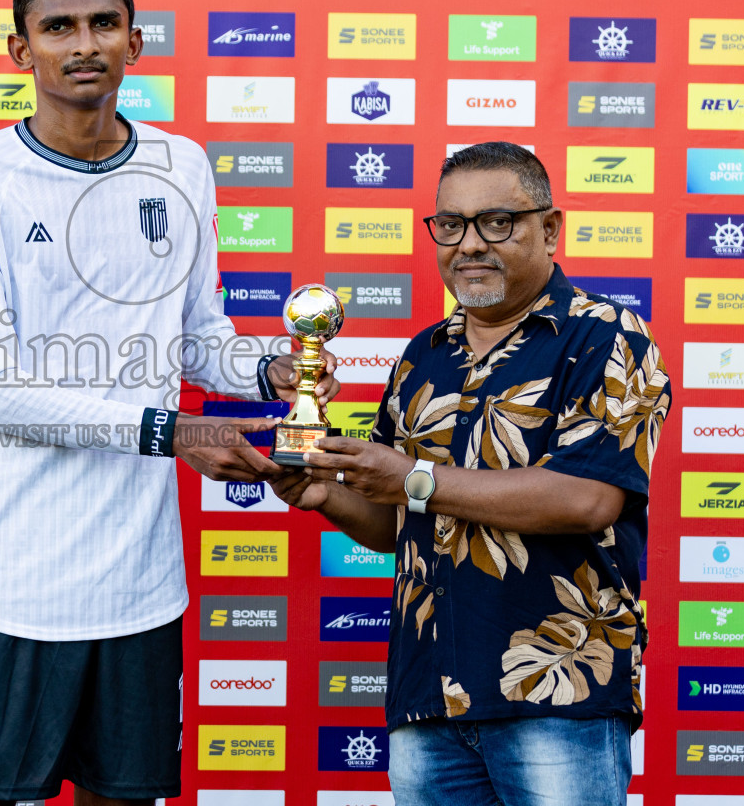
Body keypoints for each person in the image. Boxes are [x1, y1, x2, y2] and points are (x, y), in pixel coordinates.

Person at [0, 0, 336, 806]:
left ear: (136, 42)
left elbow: (192, 337)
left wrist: (272, 372)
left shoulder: (181, 165)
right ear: (18, 49)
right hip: (9, 579)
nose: (84, 44)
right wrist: (172, 433)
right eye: (58, 27)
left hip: (138, 584)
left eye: (103, 24)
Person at [271, 142, 669, 806]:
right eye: (450, 225)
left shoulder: (606, 336)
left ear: (550, 229)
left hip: (555, 693)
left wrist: (411, 478)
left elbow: (588, 498)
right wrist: (326, 495)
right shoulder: (422, 356)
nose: (470, 245)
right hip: (428, 696)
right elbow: (394, 522)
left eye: (497, 222)